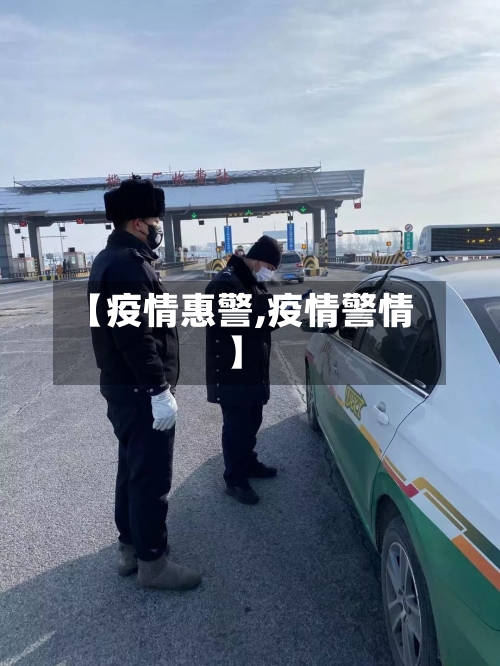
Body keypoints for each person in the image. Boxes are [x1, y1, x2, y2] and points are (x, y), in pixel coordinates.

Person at [88, 175, 201, 591]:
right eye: (154, 222)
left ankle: (131, 548)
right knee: (151, 477)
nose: (157, 228)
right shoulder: (127, 265)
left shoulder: (114, 258)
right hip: (139, 392)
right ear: (138, 222)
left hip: (125, 389)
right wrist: (158, 391)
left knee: (132, 471)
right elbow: (135, 337)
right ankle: (153, 563)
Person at [205, 235, 283, 505]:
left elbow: (264, 320)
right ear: (258, 259)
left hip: (252, 367)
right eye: (270, 267)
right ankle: (235, 478)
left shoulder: (252, 281)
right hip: (232, 370)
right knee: (236, 427)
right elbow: (231, 320)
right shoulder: (225, 282)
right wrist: (268, 310)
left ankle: (248, 463)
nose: (270, 273)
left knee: (252, 421)